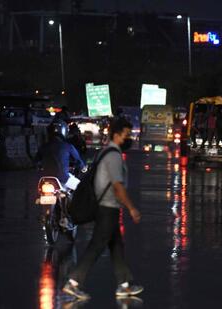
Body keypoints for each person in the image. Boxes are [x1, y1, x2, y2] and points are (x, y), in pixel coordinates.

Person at [63, 117, 143, 301]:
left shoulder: (104, 152)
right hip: (108, 207)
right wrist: (131, 208)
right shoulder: (114, 155)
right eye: (126, 135)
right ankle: (73, 282)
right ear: (116, 135)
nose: (128, 139)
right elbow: (117, 186)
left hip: (106, 206)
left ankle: (124, 285)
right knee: (97, 245)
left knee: (116, 245)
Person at [36, 121, 86, 186]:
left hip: (46, 180)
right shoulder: (68, 146)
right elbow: (78, 161)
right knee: (81, 187)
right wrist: (83, 168)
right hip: (64, 179)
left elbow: (36, 160)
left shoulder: (44, 146)